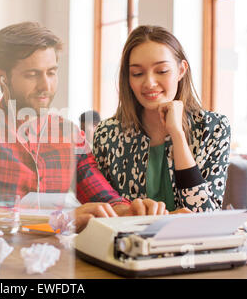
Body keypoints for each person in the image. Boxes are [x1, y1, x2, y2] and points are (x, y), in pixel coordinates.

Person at [0, 22, 167, 240]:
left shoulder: (68, 134)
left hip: (49, 269)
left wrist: (137, 212)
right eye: (32, 74)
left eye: (51, 72)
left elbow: (105, 200)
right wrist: (58, 221)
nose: (46, 86)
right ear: (1, 78)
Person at [93, 25, 231, 213]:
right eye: (138, 74)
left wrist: (177, 134)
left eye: (162, 71)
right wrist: (168, 218)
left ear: (181, 70)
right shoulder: (108, 133)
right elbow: (104, 213)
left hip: (194, 242)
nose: (149, 83)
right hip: (130, 242)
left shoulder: (213, 128)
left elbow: (205, 215)